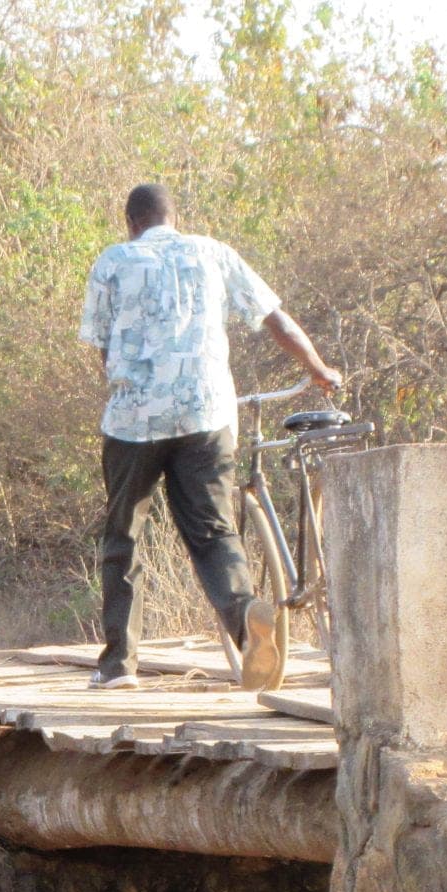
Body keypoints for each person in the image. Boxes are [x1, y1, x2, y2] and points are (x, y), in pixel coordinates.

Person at [79, 182, 341, 693]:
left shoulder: (113, 262)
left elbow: (104, 350)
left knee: (123, 537)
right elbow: (274, 317)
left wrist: (133, 380)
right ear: (174, 218)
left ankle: (118, 667)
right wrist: (316, 367)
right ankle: (247, 623)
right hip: (207, 415)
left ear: (131, 223)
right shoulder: (213, 253)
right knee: (214, 532)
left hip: (135, 420)